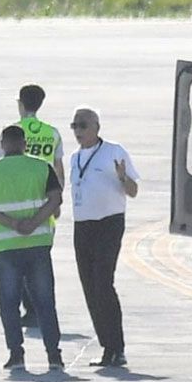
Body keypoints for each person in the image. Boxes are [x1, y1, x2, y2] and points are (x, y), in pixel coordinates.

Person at [0, 125, 64, 371]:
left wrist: (12, 224)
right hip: (37, 243)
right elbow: (55, 199)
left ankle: (16, 354)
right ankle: (54, 356)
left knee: (9, 302)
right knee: (45, 302)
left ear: (3, 145)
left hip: (5, 247)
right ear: (25, 144)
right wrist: (34, 223)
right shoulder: (41, 167)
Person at [68, 107, 139, 367]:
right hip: (82, 225)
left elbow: (133, 191)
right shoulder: (75, 158)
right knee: (89, 286)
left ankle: (116, 347)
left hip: (108, 224)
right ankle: (106, 347)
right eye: (74, 126)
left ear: (97, 127)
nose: (78, 131)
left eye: (83, 125)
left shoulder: (113, 151)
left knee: (103, 283)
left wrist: (122, 177)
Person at [0, 84, 66, 327]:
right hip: (45, 201)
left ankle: (30, 308)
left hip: (15, 200)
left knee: (17, 256)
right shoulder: (52, 133)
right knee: (40, 256)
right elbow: (58, 168)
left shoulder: (12, 132)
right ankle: (39, 307)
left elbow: (1, 165)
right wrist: (58, 199)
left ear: (21, 104)